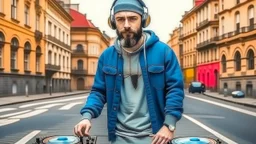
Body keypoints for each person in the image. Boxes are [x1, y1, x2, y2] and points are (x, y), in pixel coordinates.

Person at [74, 0, 184, 143]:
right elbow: (98, 92)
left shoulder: (163, 52)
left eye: (132, 18)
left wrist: (169, 126)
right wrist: (86, 117)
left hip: (155, 138)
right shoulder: (107, 56)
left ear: (143, 21)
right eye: (120, 19)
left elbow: (175, 90)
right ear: (113, 23)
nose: (126, 25)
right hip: (118, 138)